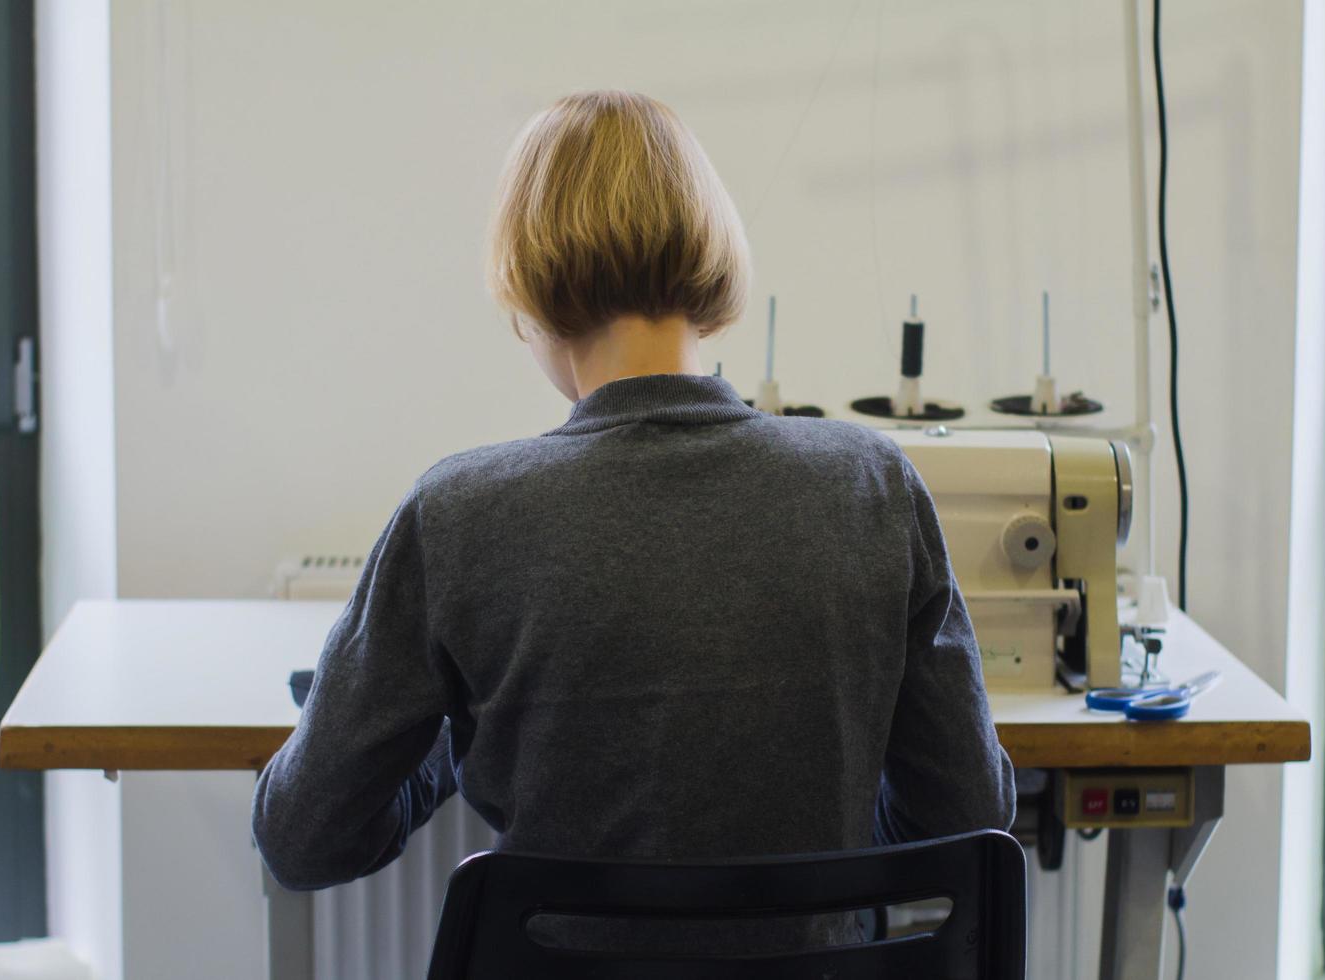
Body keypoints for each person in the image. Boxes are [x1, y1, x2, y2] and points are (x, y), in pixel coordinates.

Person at [252, 90, 1014, 951]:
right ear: (709, 263)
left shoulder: (457, 515)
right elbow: (968, 813)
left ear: (531, 294)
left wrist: (451, 742)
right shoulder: (873, 484)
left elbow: (303, 838)